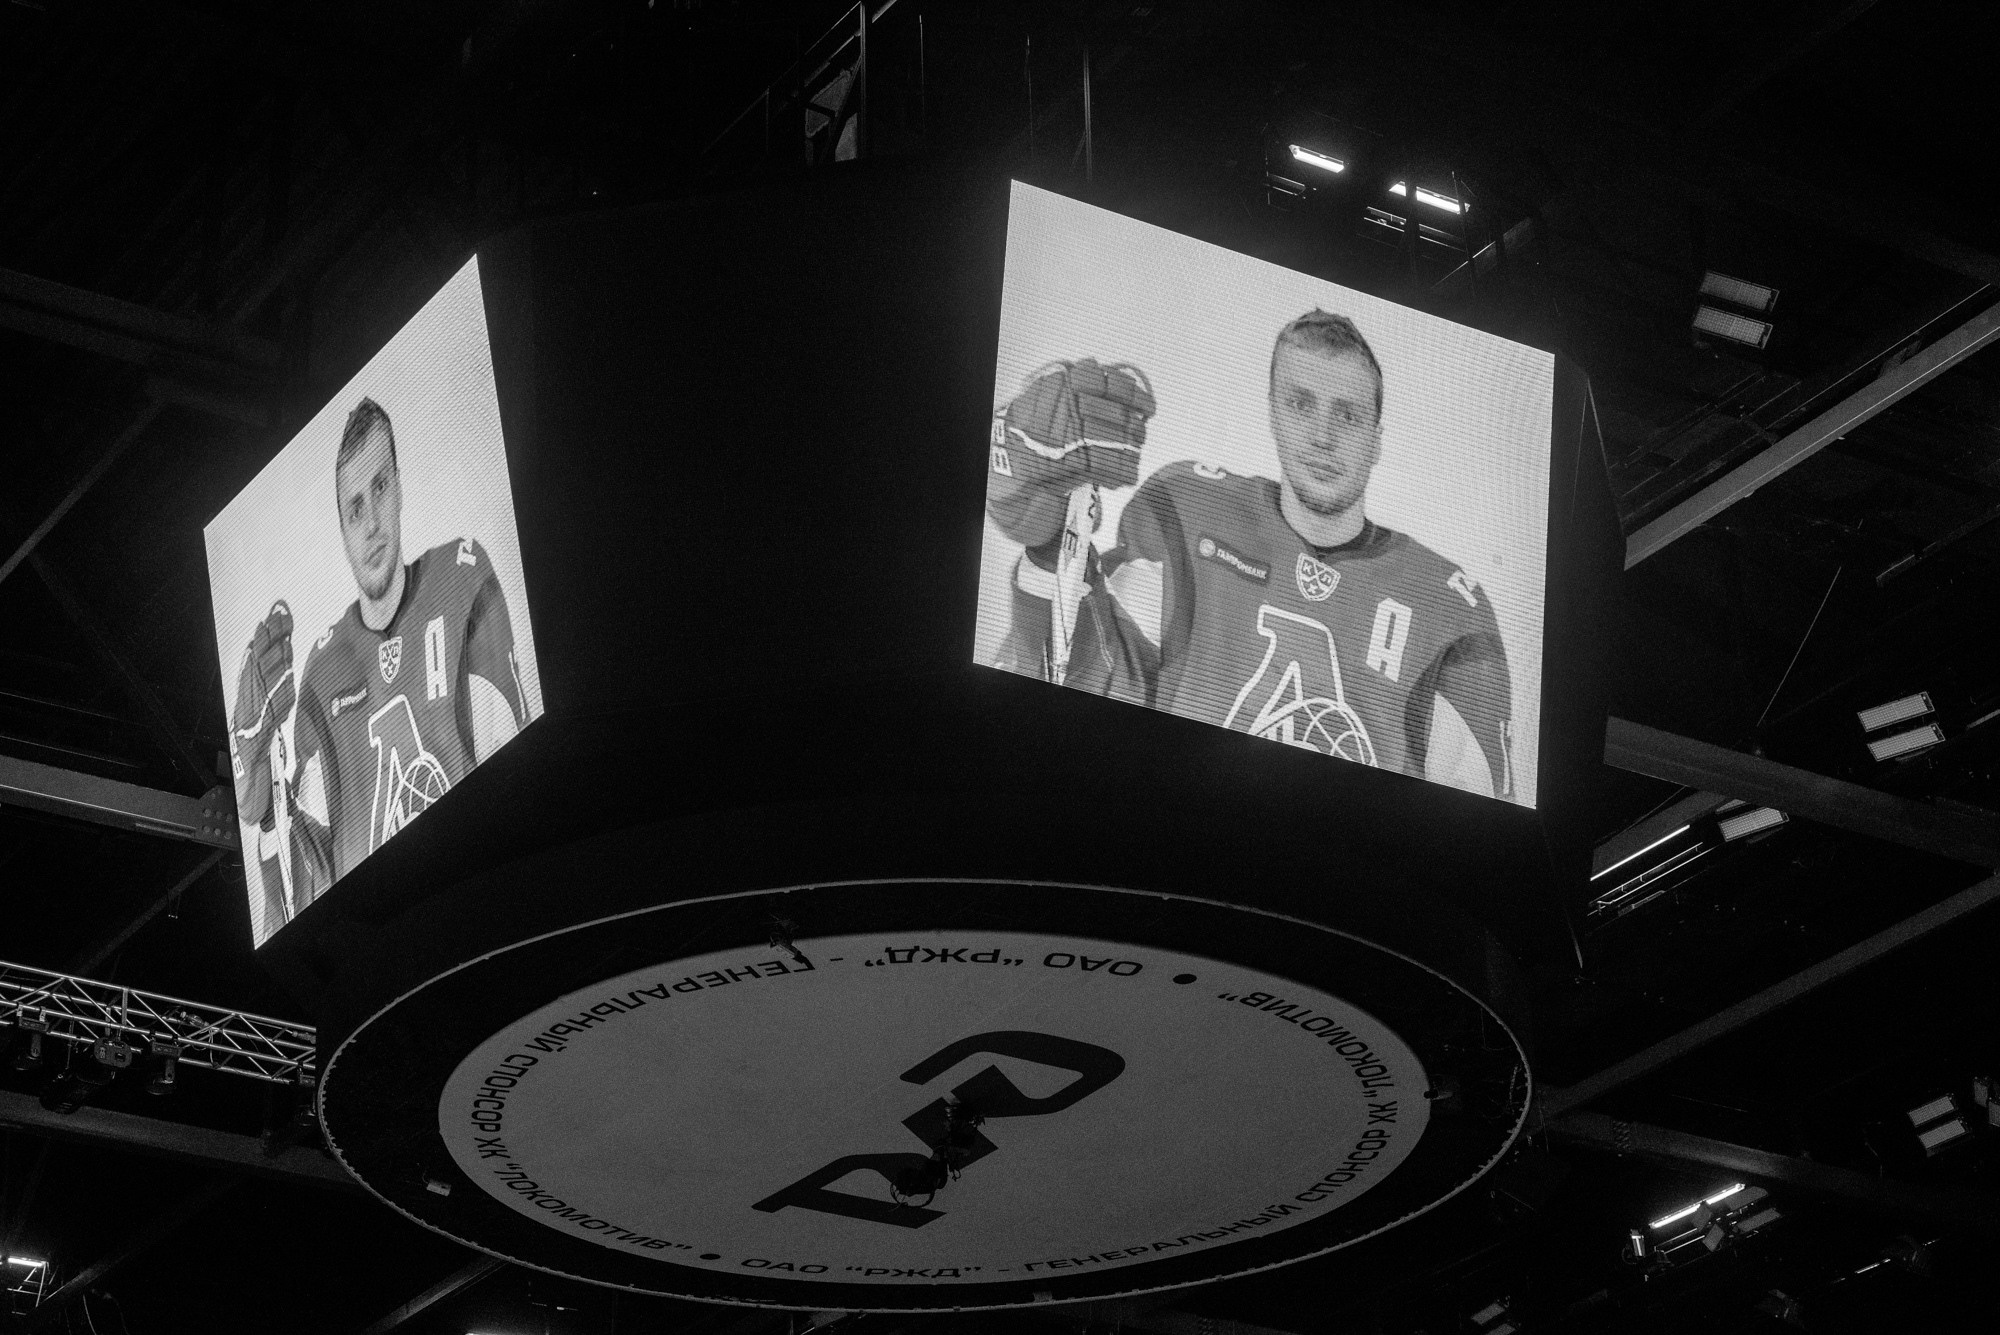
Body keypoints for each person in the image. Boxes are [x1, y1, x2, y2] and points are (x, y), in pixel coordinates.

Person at [985, 311, 1514, 799]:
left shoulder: (1450, 612)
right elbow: (1084, 692)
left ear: (1377, 440)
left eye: (1348, 416)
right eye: (1300, 405)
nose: (1323, 437)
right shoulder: (1186, 511)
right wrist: (1051, 549)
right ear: (1272, 413)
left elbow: (1473, 848)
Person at [230, 397, 528, 928]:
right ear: (342, 529)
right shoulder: (321, 677)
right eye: (354, 508)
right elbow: (305, 906)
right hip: (385, 939)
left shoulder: (462, 578)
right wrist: (272, 808)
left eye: (380, 488)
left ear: (400, 487)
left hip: (480, 904)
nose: (371, 523)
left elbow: (521, 781)